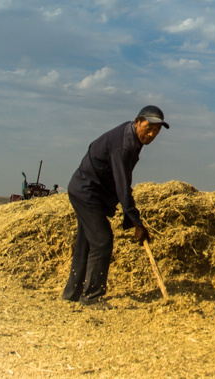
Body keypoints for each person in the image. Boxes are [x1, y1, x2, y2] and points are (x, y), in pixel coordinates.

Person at [62, 105, 170, 306]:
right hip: (86, 192)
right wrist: (136, 223)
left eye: (157, 130)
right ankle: (92, 297)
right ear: (137, 121)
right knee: (102, 240)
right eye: (149, 127)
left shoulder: (130, 137)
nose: (152, 134)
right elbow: (123, 187)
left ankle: (72, 294)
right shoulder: (124, 146)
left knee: (86, 242)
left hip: (89, 190)